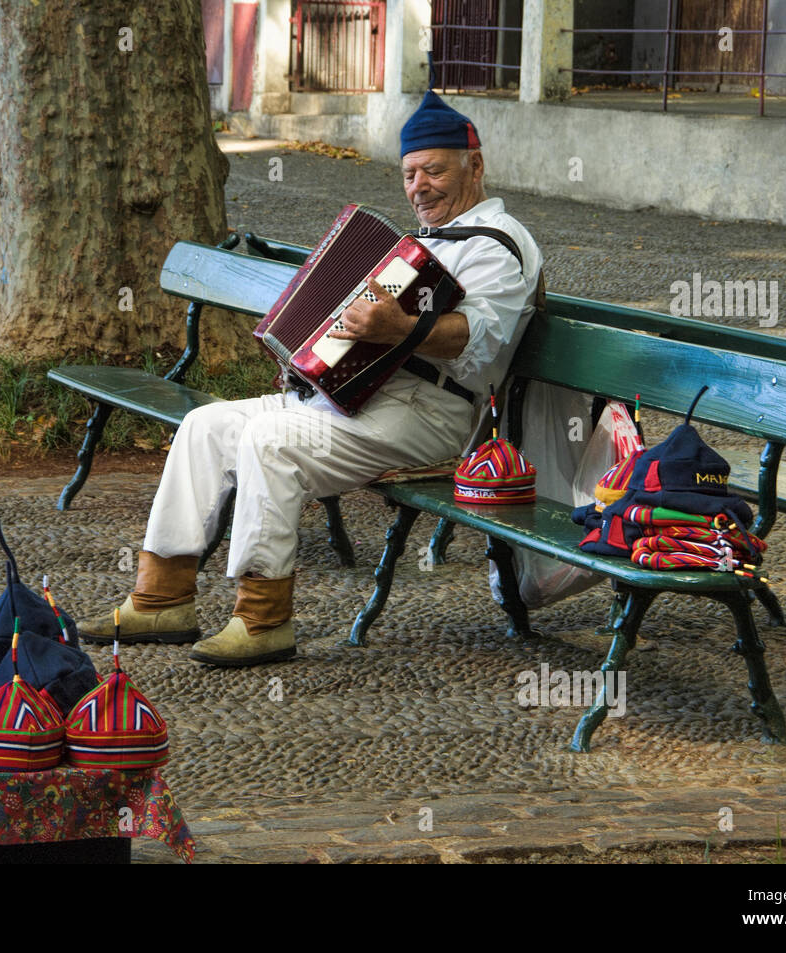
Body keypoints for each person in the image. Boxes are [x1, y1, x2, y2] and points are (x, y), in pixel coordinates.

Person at [77, 92, 544, 666]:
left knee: (271, 443)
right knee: (205, 425)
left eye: (435, 170)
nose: (419, 186)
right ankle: (162, 596)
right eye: (409, 173)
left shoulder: (498, 244)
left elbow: (483, 341)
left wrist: (399, 326)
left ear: (475, 165)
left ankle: (263, 618)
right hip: (360, 403)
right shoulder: (421, 243)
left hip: (431, 417)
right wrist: (312, 356)